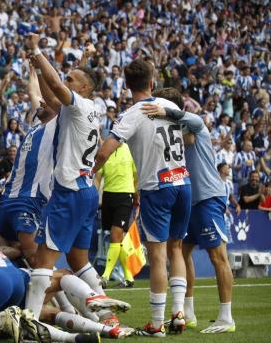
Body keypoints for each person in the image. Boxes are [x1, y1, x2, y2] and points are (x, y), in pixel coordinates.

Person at [94, 59, 191, 337]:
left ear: (126, 85)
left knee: (159, 255)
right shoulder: (171, 107)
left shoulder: (132, 114)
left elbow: (105, 151)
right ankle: (179, 314)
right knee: (176, 249)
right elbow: (190, 134)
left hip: (157, 187)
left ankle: (157, 324)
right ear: (152, 83)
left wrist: (88, 173)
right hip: (183, 181)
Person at [24, 35, 106, 325]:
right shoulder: (89, 109)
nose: (66, 80)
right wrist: (37, 64)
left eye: (72, 78)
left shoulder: (80, 106)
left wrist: (36, 50)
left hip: (69, 190)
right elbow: (50, 96)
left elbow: (56, 86)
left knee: (42, 263)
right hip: (86, 191)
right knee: (78, 261)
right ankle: (106, 313)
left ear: (83, 88)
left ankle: (29, 321)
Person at [141, 87, 235, 333]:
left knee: (218, 257)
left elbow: (196, 122)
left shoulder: (197, 127)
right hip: (188, 199)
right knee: (181, 253)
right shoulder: (174, 134)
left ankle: (227, 317)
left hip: (208, 198)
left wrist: (167, 111)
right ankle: (188, 312)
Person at [0, 68, 58, 264]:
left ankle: (74, 292)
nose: (40, 103)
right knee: (3, 255)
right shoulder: (35, 124)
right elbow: (33, 93)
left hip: (28, 200)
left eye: (45, 102)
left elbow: (53, 92)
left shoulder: (57, 124)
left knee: (34, 257)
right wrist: (34, 68)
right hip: (7, 198)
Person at [94, 142, 138, 288]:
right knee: (118, 239)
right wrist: (95, 197)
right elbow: (98, 177)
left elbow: (136, 177)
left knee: (115, 235)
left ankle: (105, 276)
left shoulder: (130, 149)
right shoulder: (104, 151)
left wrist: (137, 201)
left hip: (125, 196)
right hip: (108, 196)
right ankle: (129, 277)